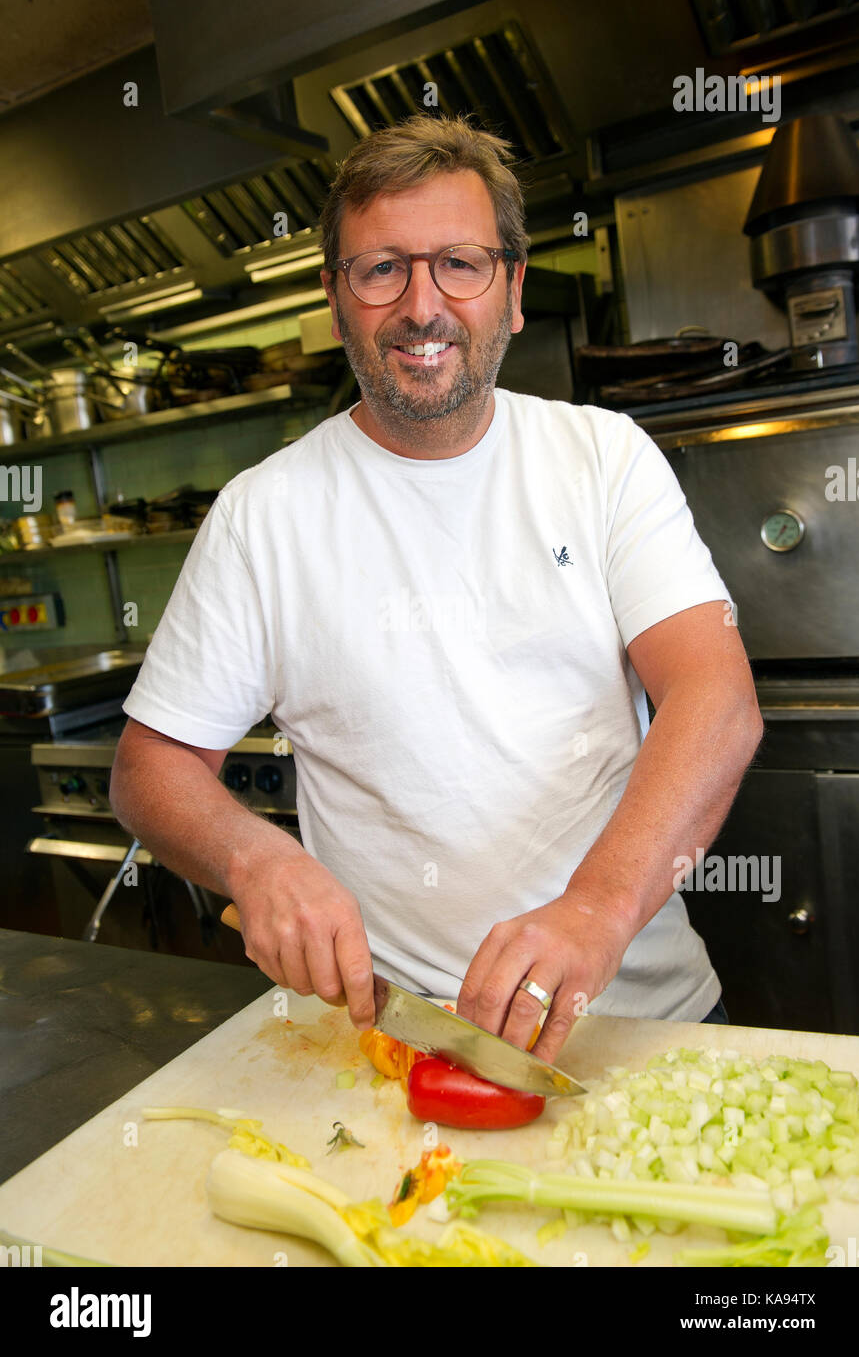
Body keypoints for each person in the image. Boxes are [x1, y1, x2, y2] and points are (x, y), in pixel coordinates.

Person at [111, 114, 763, 1066]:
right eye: (381, 270)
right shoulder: (263, 515)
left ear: (511, 292)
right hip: (394, 1049)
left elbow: (716, 702)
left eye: (459, 263)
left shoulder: (602, 457)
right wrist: (256, 861)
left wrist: (592, 912)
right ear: (338, 303)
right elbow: (150, 768)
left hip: (638, 1025)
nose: (422, 306)